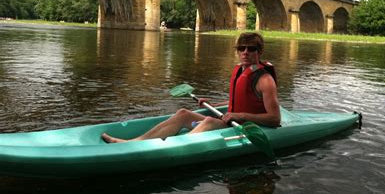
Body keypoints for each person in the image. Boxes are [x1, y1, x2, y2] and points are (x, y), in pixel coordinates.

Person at [102, 32, 280, 143]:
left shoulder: (264, 80)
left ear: (260, 52)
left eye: (251, 49)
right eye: (241, 48)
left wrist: (238, 115)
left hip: (246, 127)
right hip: (231, 120)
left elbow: (274, 119)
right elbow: (240, 101)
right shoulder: (241, 70)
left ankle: (163, 149)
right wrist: (215, 104)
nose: (245, 52)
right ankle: (135, 142)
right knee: (183, 113)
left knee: (209, 121)